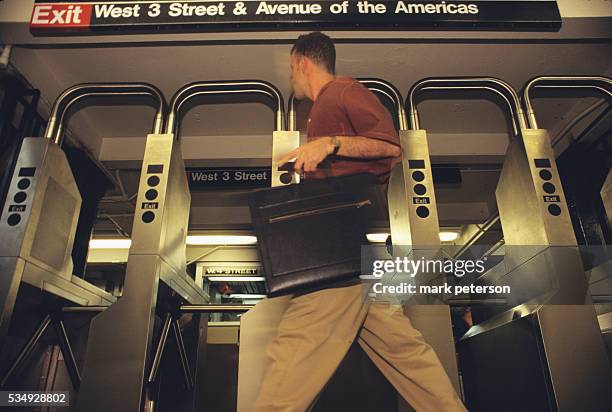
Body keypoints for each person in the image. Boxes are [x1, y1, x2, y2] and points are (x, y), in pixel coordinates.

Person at [251, 32, 467, 412]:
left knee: (295, 352)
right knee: (406, 354)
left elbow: (390, 147)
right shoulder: (321, 108)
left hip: (338, 253)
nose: (292, 78)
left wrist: (330, 143)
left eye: (291, 69)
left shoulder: (342, 92)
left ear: (302, 62)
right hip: (362, 254)